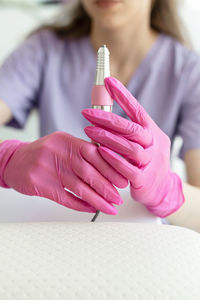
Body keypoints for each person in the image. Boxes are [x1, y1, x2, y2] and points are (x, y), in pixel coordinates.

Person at [0, 0, 200, 230]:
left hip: (144, 247)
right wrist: (6, 158)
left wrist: (169, 191)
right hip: (54, 237)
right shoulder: (42, 51)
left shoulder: (189, 71)